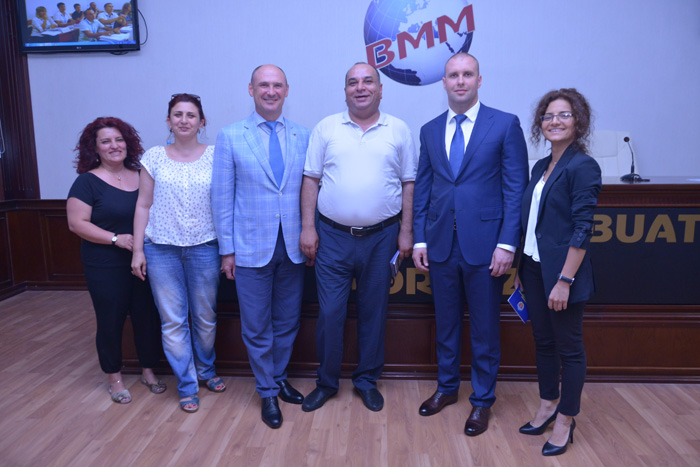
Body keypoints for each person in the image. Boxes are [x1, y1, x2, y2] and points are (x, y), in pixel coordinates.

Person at [412, 53, 529, 436]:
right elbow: (424, 188)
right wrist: (420, 238)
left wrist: (507, 244)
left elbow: (516, 189)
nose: (460, 81)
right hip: (441, 245)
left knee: (484, 329)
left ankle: (482, 401)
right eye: (453, 75)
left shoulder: (505, 124)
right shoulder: (430, 130)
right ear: (444, 82)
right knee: (445, 324)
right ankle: (447, 388)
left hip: (486, 246)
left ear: (479, 80)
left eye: (467, 74)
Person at [300, 62, 417, 413]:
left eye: (368, 81)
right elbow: (311, 180)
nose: (360, 87)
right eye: (353, 82)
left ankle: (366, 381)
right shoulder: (326, 128)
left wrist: (406, 231)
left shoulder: (398, 129)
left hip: (382, 238)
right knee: (329, 314)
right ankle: (326, 382)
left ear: (381, 89)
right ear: (345, 91)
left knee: (373, 312)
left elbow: (408, 183)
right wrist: (308, 227)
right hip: (332, 237)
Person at [211, 64, 310, 429]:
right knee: (255, 325)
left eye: (277, 85)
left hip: (293, 247)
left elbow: (309, 190)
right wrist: (227, 250)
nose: (271, 91)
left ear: (287, 90)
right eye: (263, 85)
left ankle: (279, 377)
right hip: (249, 247)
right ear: (251, 90)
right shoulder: (230, 136)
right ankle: (266, 391)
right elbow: (222, 198)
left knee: (287, 321)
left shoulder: (303, 135)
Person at [515, 88, 601, 456]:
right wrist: (521, 268)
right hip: (534, 269)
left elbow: (583, 229)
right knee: (544, 342)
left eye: (564, 115)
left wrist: (564, 281)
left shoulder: (583, 166)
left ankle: (566, 418)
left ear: (578, 122)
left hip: (564, 275)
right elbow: (532, 222)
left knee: (569, 348)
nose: (555, 121)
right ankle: (548, 403)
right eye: (549, 116)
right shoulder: (541, 166)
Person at [132, 93, 225, 414]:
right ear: (169, 121)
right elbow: (143, 205)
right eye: (177, 114)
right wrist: (137, 250)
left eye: (190, 115)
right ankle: (187, 385)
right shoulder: (154, 157)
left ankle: (206, 369)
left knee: (205, 318)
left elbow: (226, 203)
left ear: (202, 122)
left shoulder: (216, 156)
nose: (184, 120)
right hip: (161, 250)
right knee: (173, 321)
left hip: (205, 247)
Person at [67, 116, 166, 405]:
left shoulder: (142, 174)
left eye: (119, 139)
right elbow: (76, 223)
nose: (114, 146)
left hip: (144, 259)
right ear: (95, 148)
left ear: (128, 143)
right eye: (106, 141)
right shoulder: (86, 182)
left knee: (147, 316)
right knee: (110, 320)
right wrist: (115, 239)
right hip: (104, 263)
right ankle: (115, 378)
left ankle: (148, 371)